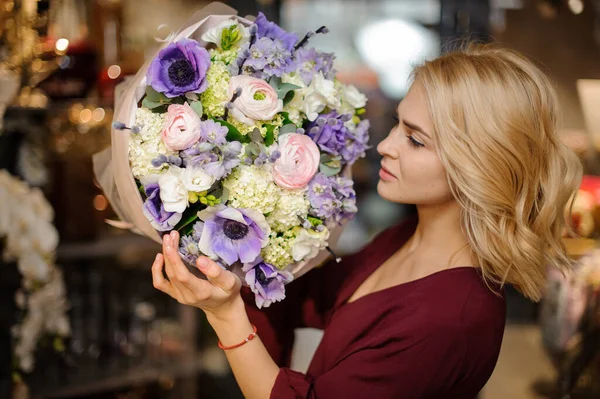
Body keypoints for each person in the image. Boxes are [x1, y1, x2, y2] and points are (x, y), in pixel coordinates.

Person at [150, 44, 582, 399]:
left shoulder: (452, 320)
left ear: (478, 165)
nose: (387, 145)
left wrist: (226, 316)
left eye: (415, 140)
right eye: (398, 125)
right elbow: (312, 294)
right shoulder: (405, 237)